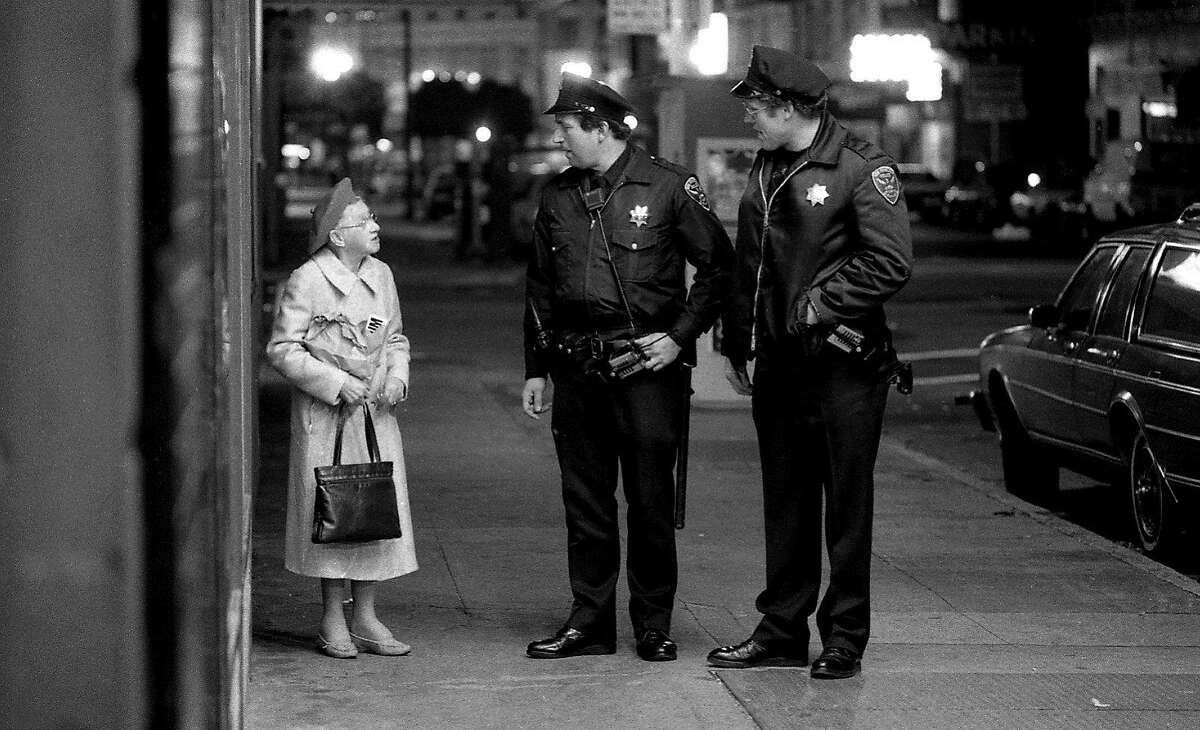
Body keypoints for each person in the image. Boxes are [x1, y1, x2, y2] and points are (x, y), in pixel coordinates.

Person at [708, 46, 913, 679]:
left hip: (841, 369)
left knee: (846, 508)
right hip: (777, 366)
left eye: (757, 110)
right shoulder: (767, 166)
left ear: (793, 108)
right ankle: (781, 632)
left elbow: (890, 261)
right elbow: (753, 262)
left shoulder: (860, 167)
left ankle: (845, 639)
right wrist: (736, 339)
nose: (749, 121)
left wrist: (819, 303)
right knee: (786, 503)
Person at [522, 72, 734, 662]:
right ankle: (589, 623)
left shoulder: (667, 187)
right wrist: (536, 367)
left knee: (648, 504)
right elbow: (540, 287)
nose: (560, 138)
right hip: (577, 370)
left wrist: (680, 338)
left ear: (600, 127)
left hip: (645, 369)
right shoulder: (558, 195)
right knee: (584, 504)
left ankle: (652, 624)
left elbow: (719, 268)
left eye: (566, 127)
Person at [266, 178, 418, 659]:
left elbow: (395, 338)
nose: (375, 226)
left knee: (372, 510)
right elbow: (282, 349)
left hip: (376, 412)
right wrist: (335, 383)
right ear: (337, 235)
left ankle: (367, 618)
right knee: (332, 511)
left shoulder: (383, 275)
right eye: (365, 220)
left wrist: (396, 377)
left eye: (371, 218)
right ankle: (332, 618)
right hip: (327, 416)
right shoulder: (307, 280)